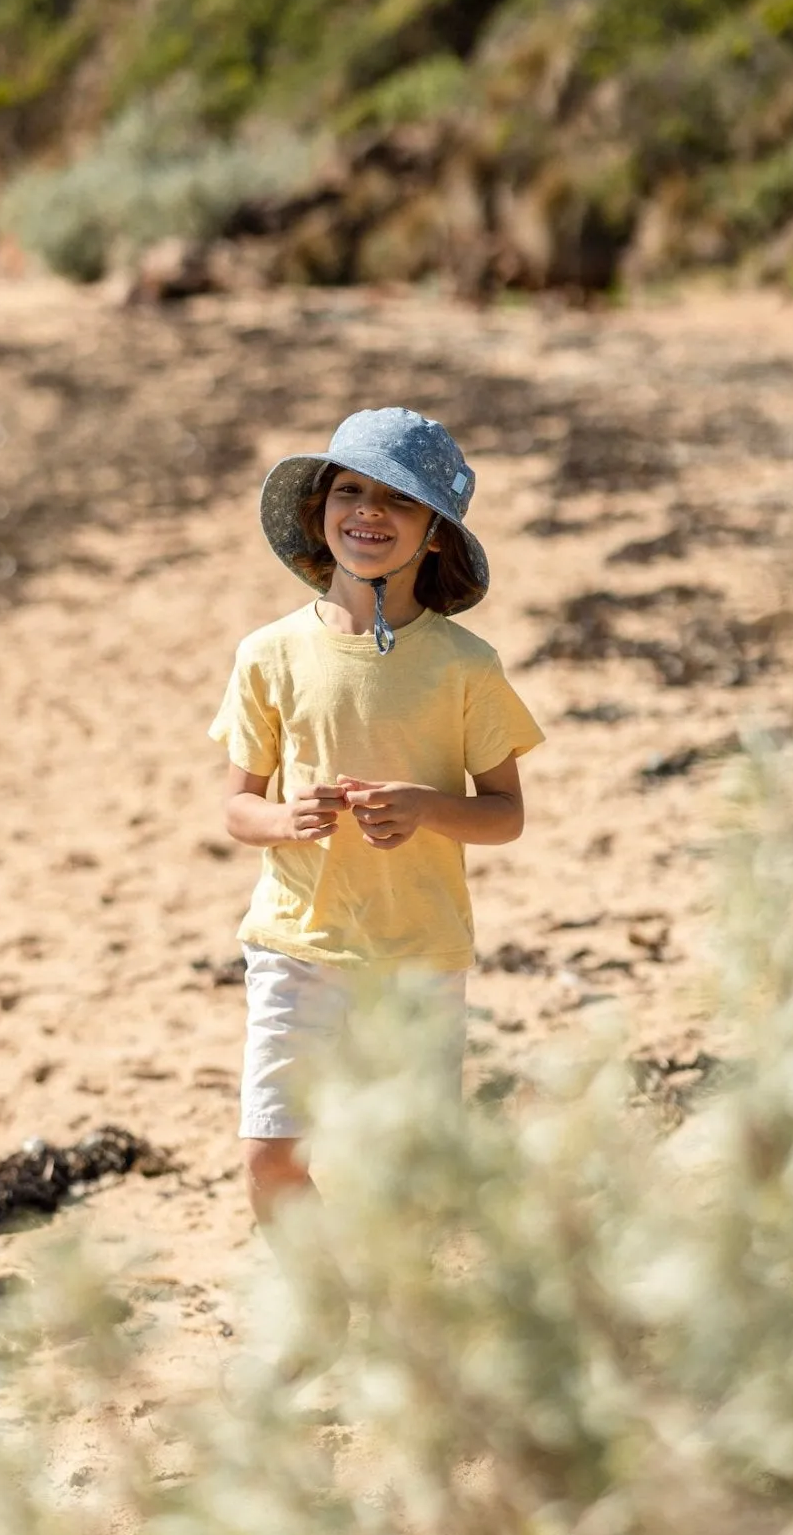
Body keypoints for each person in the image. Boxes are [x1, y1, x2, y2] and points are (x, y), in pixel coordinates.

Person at [209, 408, 545, 1276]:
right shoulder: (268, 654)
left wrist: (425, 806)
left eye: (400, 500)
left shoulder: (464, 664)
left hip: (418, 951)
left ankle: (403, 1332)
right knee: (271, 1157)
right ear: (321, 511)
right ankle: (319, 1303)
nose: (369, 512)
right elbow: (238, 809)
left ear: (433, 535)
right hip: (296, 944)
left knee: (410, 1172)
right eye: (349, 491)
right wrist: (287, 819)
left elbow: (504, 812)